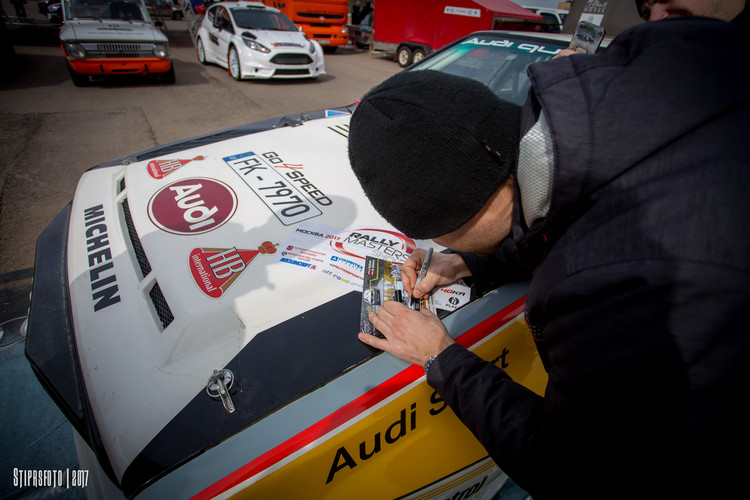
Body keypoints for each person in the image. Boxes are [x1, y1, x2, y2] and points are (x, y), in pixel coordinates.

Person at [347, 7, 750, 499]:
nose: (441, 249)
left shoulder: (606, 287)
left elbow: (572, 470)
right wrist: (472, 260)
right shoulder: (651, 64)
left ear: (465, 214)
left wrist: (439, 357)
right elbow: (564, 207)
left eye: (442, 238)